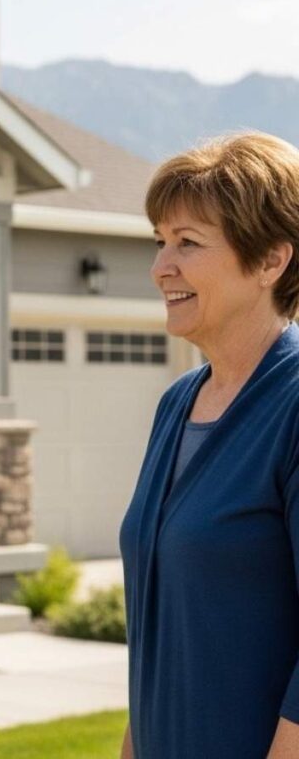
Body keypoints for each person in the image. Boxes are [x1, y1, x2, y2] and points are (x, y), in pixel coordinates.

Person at [120, 132, 299, 758]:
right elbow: (158, 628)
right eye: (161, 242)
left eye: (188, 244)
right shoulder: (177, 405)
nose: (161, 266)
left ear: (272, 260)